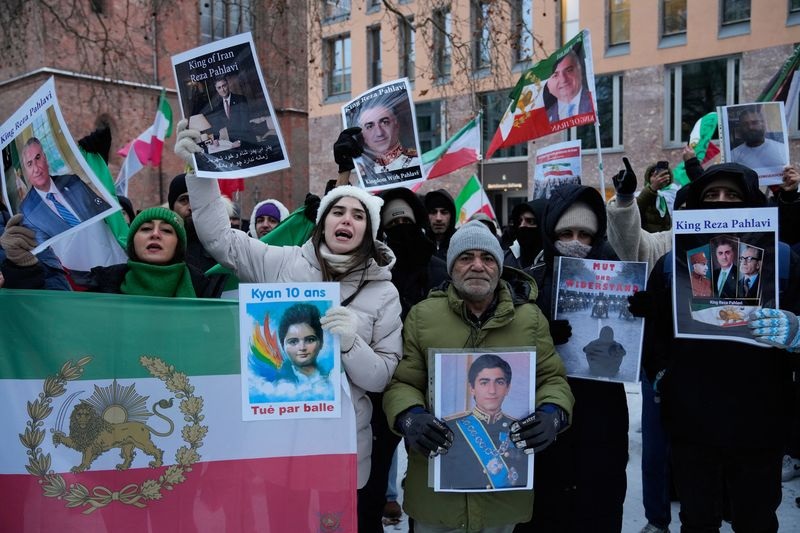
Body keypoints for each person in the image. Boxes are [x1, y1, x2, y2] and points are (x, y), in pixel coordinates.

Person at [176, 120, 403, 526]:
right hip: (279, 447)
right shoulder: (281, 263)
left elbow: (381, 377)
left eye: (358, 215)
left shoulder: (383, 292)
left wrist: (350, 344)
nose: (346, 220)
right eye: (337, 211)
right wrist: (200, 171)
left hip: (340, 447)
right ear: (323, 222)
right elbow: (219, 240)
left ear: (369, 230)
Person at [633, 162, 800, 532]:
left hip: (760, 417)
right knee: (697, 520)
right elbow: (655, 338)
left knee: (756, 519)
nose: (721, 201)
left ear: (751, 203)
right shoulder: (673, 264)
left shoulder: (783, 260)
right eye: (711, 194)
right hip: (693, 418)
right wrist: (660, 370)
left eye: (732, 195)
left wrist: (797, 333)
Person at [383, 220, 573, 532]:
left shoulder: (529, 318)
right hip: (436, 497)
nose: (477, 266)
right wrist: (410, 416)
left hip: (503, 498)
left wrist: (553, 413)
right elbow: (403, 382)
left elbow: (552, 380)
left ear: (499, 267)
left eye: (487, 258)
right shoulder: (422, 316)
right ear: (451, 267)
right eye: (465, 257)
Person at [518, 184, 628, 533]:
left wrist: (642, 316)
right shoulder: (530, 282)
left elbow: (638, 352)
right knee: (547, 506)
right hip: (544, 411)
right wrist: (541, 335)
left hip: (601, 411)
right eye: (566, 233)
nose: (576, 242)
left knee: (598, 500)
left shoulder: (618, 275)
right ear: (551, 233)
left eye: (585, 234)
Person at [440, 354, 529, 490]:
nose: (492, 390)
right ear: (472, 388)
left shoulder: (519, 427)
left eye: (499, 382)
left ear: (508, 388)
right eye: (484, 382)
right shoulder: (451, 427)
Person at [18, 137, 111, 245]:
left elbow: (104, 212)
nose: (36, 169)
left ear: (45, 158)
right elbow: (44, 252)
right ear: (26, 171)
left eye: (38, 158)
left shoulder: (72, 181)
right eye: (29, 164)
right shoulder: (26, 212)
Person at [273, 303, 331, 397]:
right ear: (283, 346)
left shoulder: (332, 378)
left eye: (310, 340)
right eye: (293, 342)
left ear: (321, 342)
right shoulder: (275, 386)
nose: (302, 348)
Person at [355, 100, 419, 178]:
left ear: (397, 126)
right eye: (370, 126)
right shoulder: (363, 170)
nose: (379, 133)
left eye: (385, 122)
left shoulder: (418, 162)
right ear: (363, 135)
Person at [545, 49, 592, 123]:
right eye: (555, 75)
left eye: (569, 70)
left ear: (579, 70)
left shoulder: (595, 102)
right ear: (548, 84)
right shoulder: (546, 118)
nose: (563, 80)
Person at [209, 76, 254, 145]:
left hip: (248, 139)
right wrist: (216, 139)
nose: (222, 90)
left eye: (224, 86)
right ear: (217, 90)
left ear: (227, 85)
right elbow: (216, 126)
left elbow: (245, 122)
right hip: (233, 142)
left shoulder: (240, 99)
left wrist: (239, 141)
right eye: (219, 88)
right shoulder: (219, 107)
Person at [637, 163, 680, 233]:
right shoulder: (642, 195)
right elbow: (636, 210)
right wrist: (653, 188)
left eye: (664, 174)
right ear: (648, 178)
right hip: (650, 238)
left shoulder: (676, 192)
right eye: (654, 175)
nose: (659, 178)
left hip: (669, 237)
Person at [424, 189, 456, 261]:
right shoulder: (418, 244)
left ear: (452, 216)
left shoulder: (460, 243)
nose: (438, 218)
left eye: (444, 212)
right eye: (433, 212)